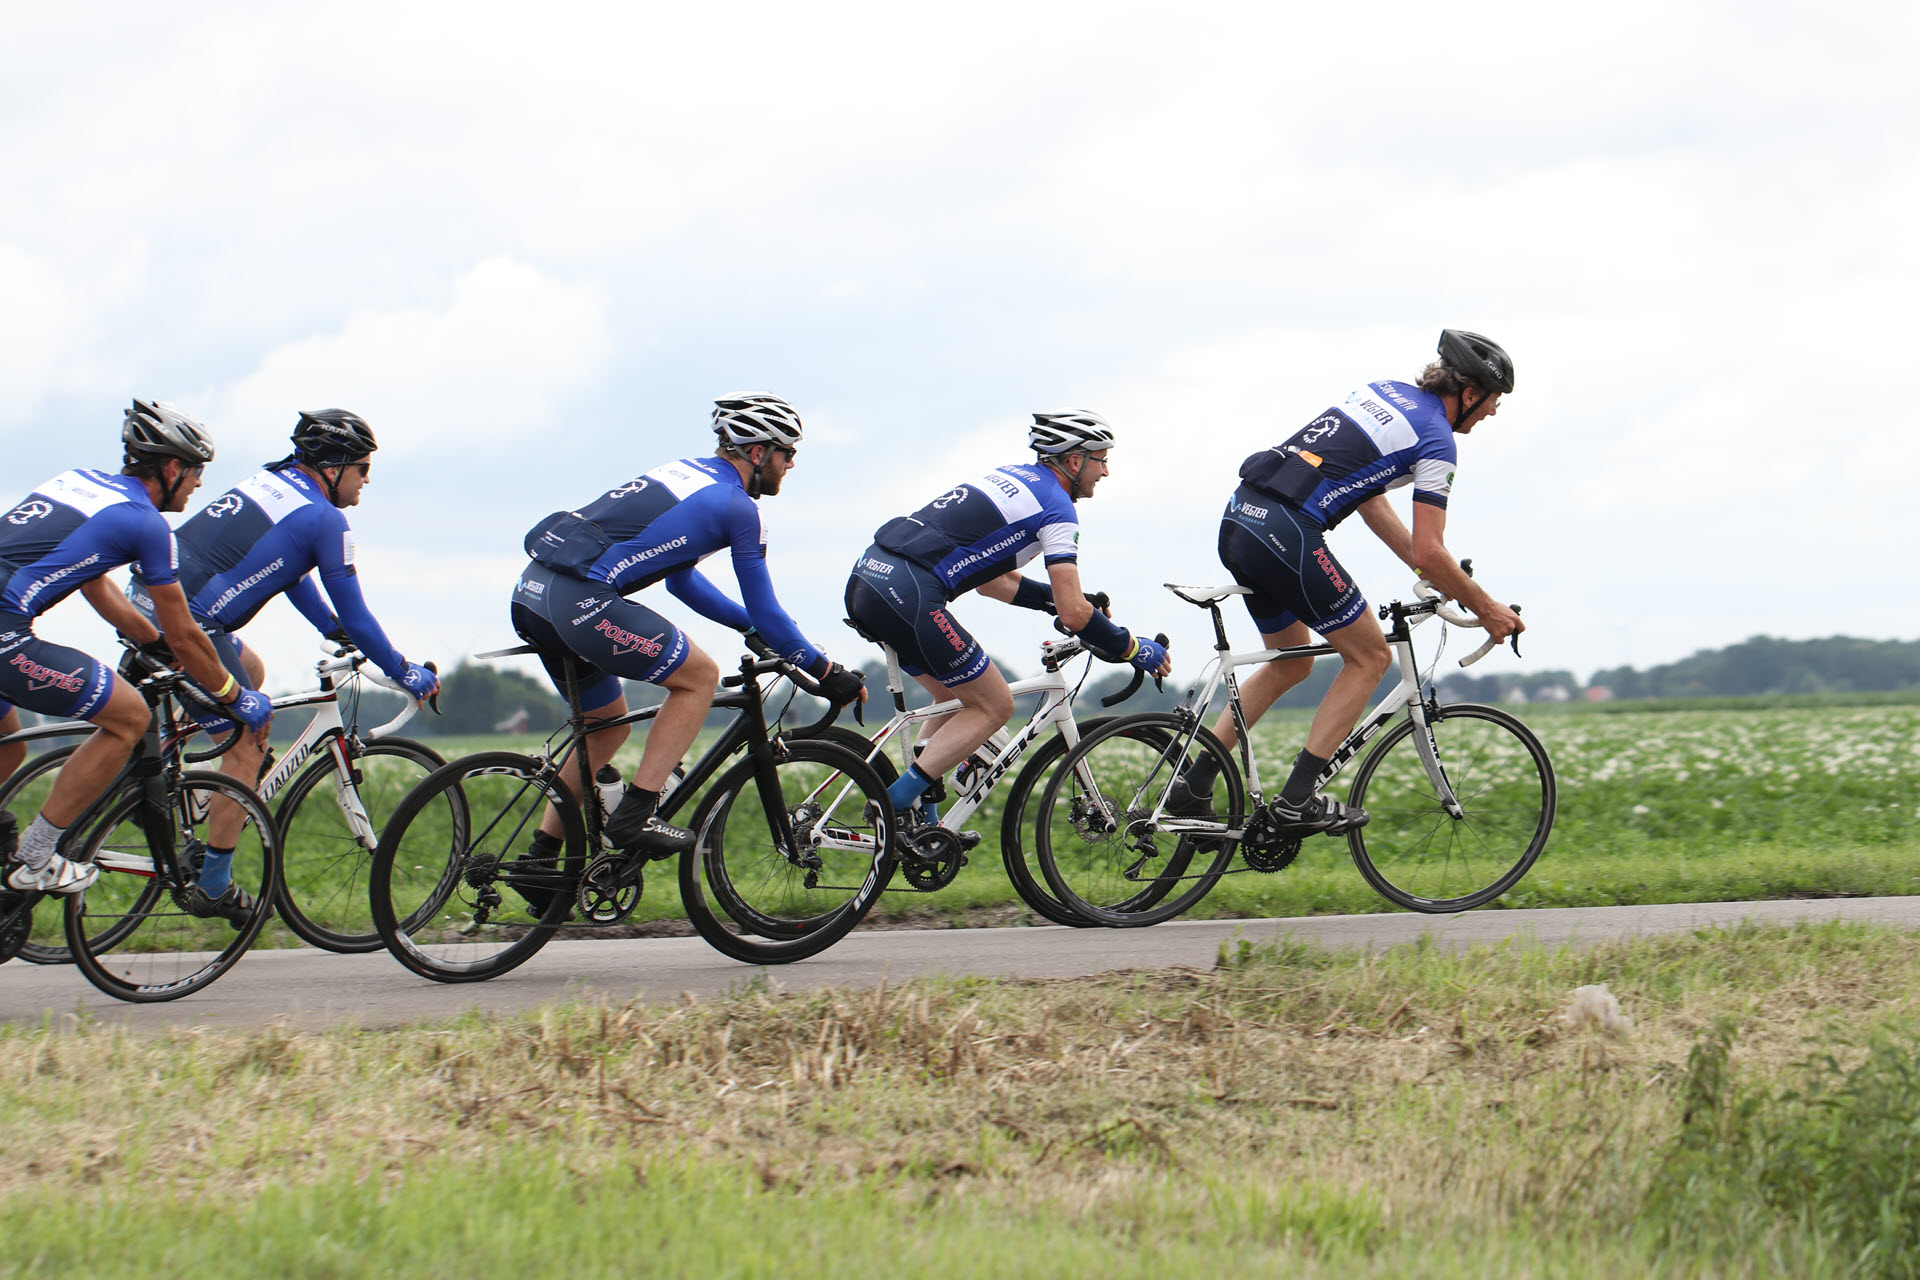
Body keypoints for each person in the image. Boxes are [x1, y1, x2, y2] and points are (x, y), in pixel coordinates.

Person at [1167, 329, 1526, 831]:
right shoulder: (1437, 440)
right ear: (1469, 394)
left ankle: (1192, 785)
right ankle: (1296, 801)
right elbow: (1429, 546)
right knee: (1372, 655)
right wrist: (1486, 608)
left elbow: (1370, 500)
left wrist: (1431, 572)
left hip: (1241, 518)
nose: (1493, 412)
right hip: (1287, 532)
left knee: (1290, 662)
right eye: (1493, 401)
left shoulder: (1384, 391)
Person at [509, 393, 865, 874]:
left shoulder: (686, 472)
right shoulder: (737, 507)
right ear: (757, 453)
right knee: (700, 676)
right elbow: (769, 609)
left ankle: (541, 861)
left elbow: (681, 579)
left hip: (532, 593)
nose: (792, 463)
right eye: (787, 451)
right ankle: (636, 813)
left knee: (606, 725)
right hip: (579, 601)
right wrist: (825, 670)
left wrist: (746, 626)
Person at [127, 409, 440, 915]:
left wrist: (325, 626)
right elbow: (357, 616)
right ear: (335, 467)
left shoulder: (272, 483)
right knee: (249, 742)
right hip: (190, 623)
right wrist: (408, 673)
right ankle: (213, 885)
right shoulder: (327, 519)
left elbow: (290, 571)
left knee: (250, 674)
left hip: (146, 599)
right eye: (362, 468)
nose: (366, 481)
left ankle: (157, 773)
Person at [0, 401, 272, 899]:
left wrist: (151, 642)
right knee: (127, 717)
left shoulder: (78, 480)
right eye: (195, 472)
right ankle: (36, 858)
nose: (197, 484)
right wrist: (235, 695)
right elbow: (188, 634)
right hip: (4, 635)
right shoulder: (146, 524)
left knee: (11, 748)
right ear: (171, 468)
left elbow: (95, 583)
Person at [844, 410, 1171, 822]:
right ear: (1074, 461)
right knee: (995, 706)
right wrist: (1130, 646)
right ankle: (890, 806)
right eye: (1101, 460)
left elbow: (995, 583)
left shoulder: (1013, 477)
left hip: (869, 578)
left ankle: (923, 826)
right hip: (908, 593)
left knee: (951, 700)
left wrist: (1063, 600)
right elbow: (1074, 614)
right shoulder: (1057, 508)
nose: (1105, 472)